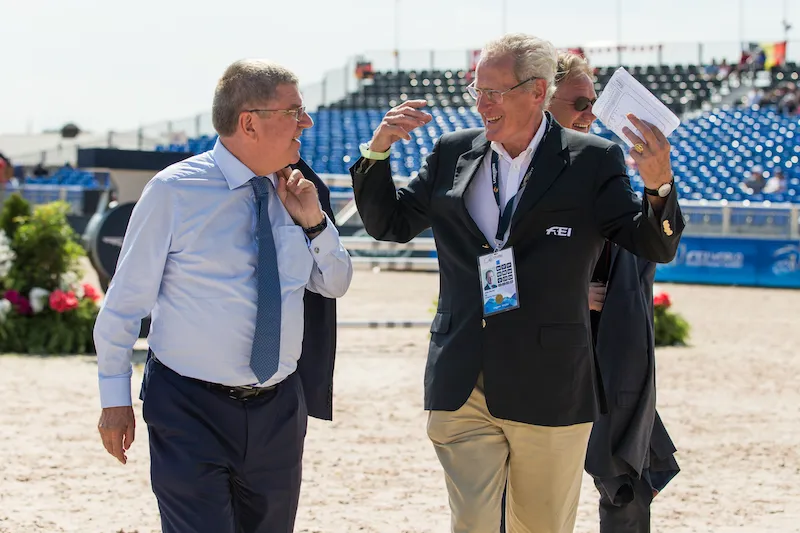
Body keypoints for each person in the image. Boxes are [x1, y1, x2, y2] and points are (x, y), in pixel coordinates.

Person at [350, 33, 684, 533]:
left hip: (550, 384)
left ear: (536, 91)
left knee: (541, 526)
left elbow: (653, 245)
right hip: (463, 380)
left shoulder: (592, 160)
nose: (481, 104)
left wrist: (658, 184)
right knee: (475, 523)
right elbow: (390, 224)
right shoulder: (451, 152)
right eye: (476, 90)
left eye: (494, 91)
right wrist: (377, 154)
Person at [93, 59, 353, 533]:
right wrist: (115, 401)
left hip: (279, 409)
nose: (307, 122)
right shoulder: (173, 192)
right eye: (294, 110)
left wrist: (315, 221)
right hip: (189, 406)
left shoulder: (298, 188)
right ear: (249, 122)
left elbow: (334, 284)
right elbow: (124, 304)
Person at [549, 51, 681, 533]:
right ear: (541, 99)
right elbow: (481, 269)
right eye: (581, 102)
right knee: (527, 486)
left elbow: (655, 245)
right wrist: (564, 291)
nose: (591, 114)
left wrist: (658, 183)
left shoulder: (606, 167)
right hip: (538, 353)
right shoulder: (503, 173)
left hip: (613, 352)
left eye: (594, 102)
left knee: (626, 484)